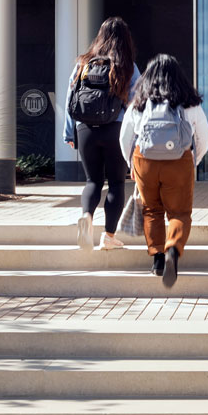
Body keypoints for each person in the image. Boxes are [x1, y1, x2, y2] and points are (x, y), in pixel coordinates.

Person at [118, 54, 208, 289]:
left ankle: (157, 259)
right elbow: (205, 138)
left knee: (151, 210)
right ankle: (173, 249)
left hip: (145, 161)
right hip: (179, 161)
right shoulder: (189, 103)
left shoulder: (139, 103)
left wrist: (131, 163)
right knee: (179, 213)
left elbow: (125, 137)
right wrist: (194, 160)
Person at [63, 17, 141, 252]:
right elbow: (137, 104)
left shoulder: (83, 64)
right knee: (117, 183)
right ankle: (108, 236)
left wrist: (70, 133)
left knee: (93, 180)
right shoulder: (128, 66)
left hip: (85, 129)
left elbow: (70, 99)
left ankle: (87, 217)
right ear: (125, 40)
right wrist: (136, 138)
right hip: (116, 129)